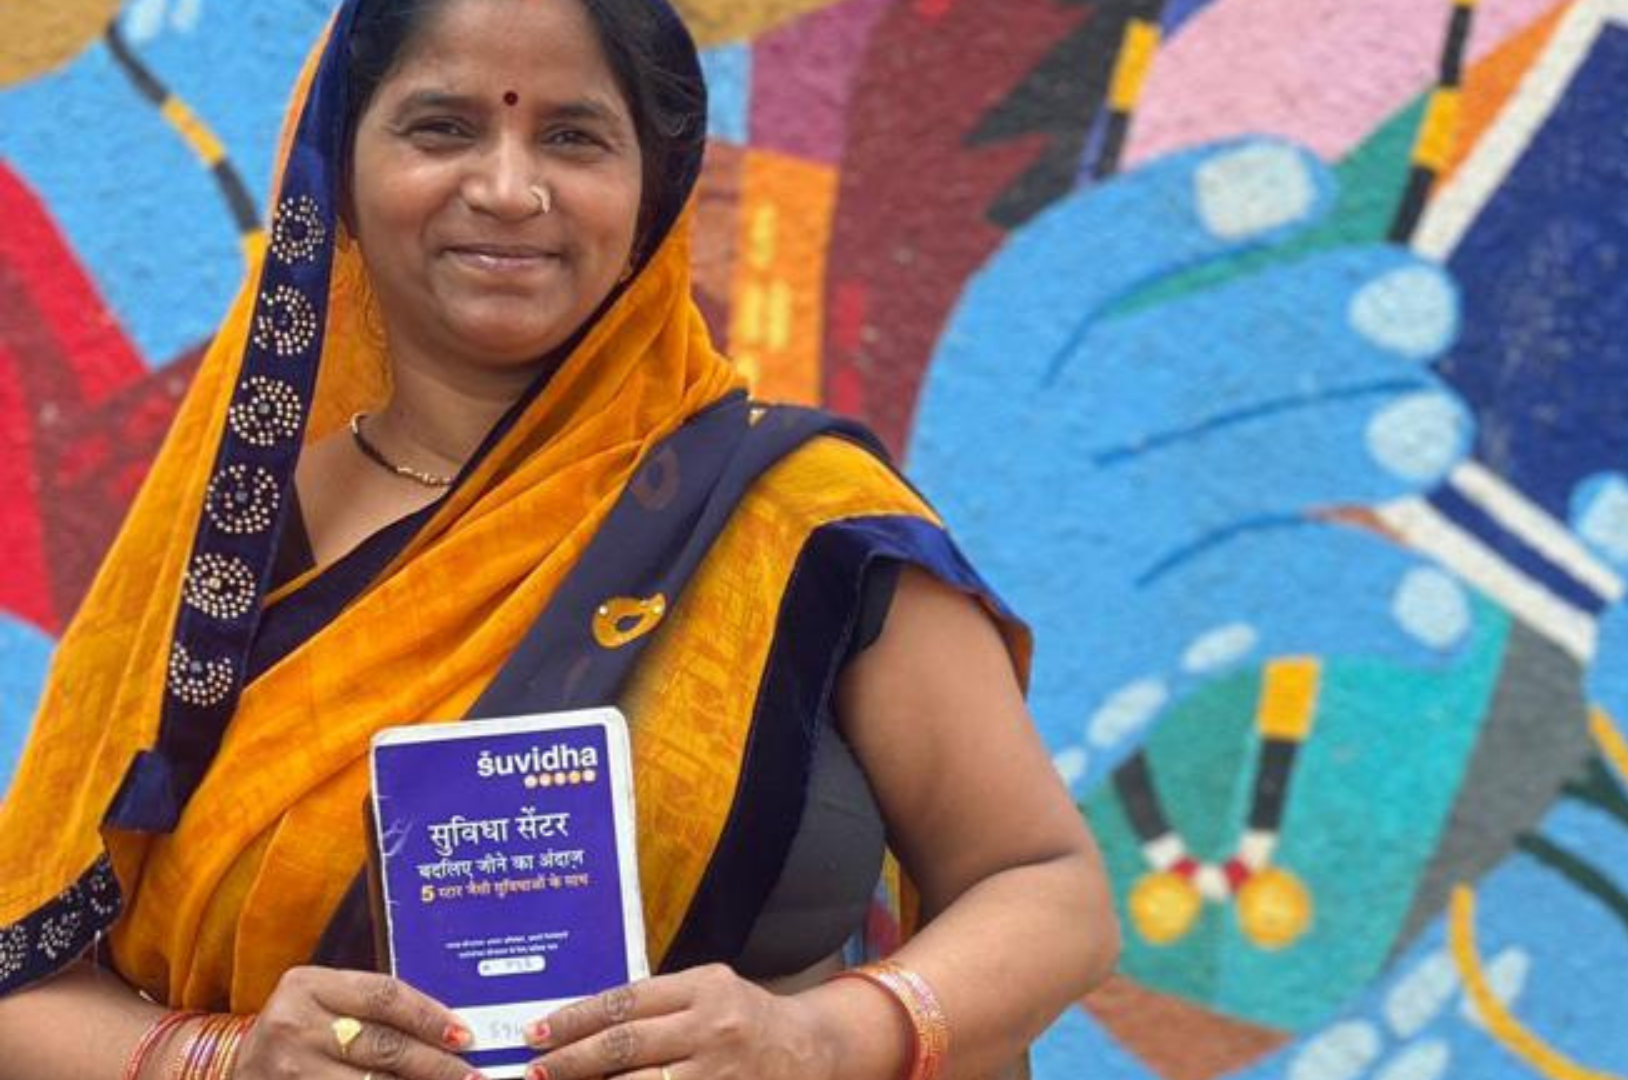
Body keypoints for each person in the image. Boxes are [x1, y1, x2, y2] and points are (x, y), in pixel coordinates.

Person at [0, 0, 1118, 1077]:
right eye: (443, 127)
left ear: (656, 185)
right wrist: (222, 1062)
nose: (507, 188)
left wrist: (819, 1042)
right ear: (342, 163)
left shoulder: (797, 519)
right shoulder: (229, 544)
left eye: (574, 137)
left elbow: (1045, 885)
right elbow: (22, 970)